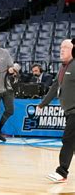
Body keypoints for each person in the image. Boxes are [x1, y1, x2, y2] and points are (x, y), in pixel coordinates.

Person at [38, 39, 75, 183]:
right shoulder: (62, 67)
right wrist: (42, 104)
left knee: (67, 140)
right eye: (61, 47)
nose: (62, 49)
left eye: (66, 47)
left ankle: (62, 172)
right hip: (69, 112)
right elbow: (54, 89)